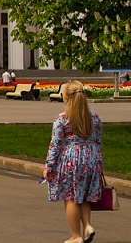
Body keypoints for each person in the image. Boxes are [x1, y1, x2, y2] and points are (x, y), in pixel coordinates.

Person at [44, 81, 104, 243]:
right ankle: (88, 226)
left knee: (70, 196)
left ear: (66, 98)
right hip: (91, 157)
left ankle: (76, 236)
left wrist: (48, 166)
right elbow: (98, 141)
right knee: (83, 195)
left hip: (71, 159)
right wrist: (98, 162)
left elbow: (55, 145)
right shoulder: (94, 117)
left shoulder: (62, 118)